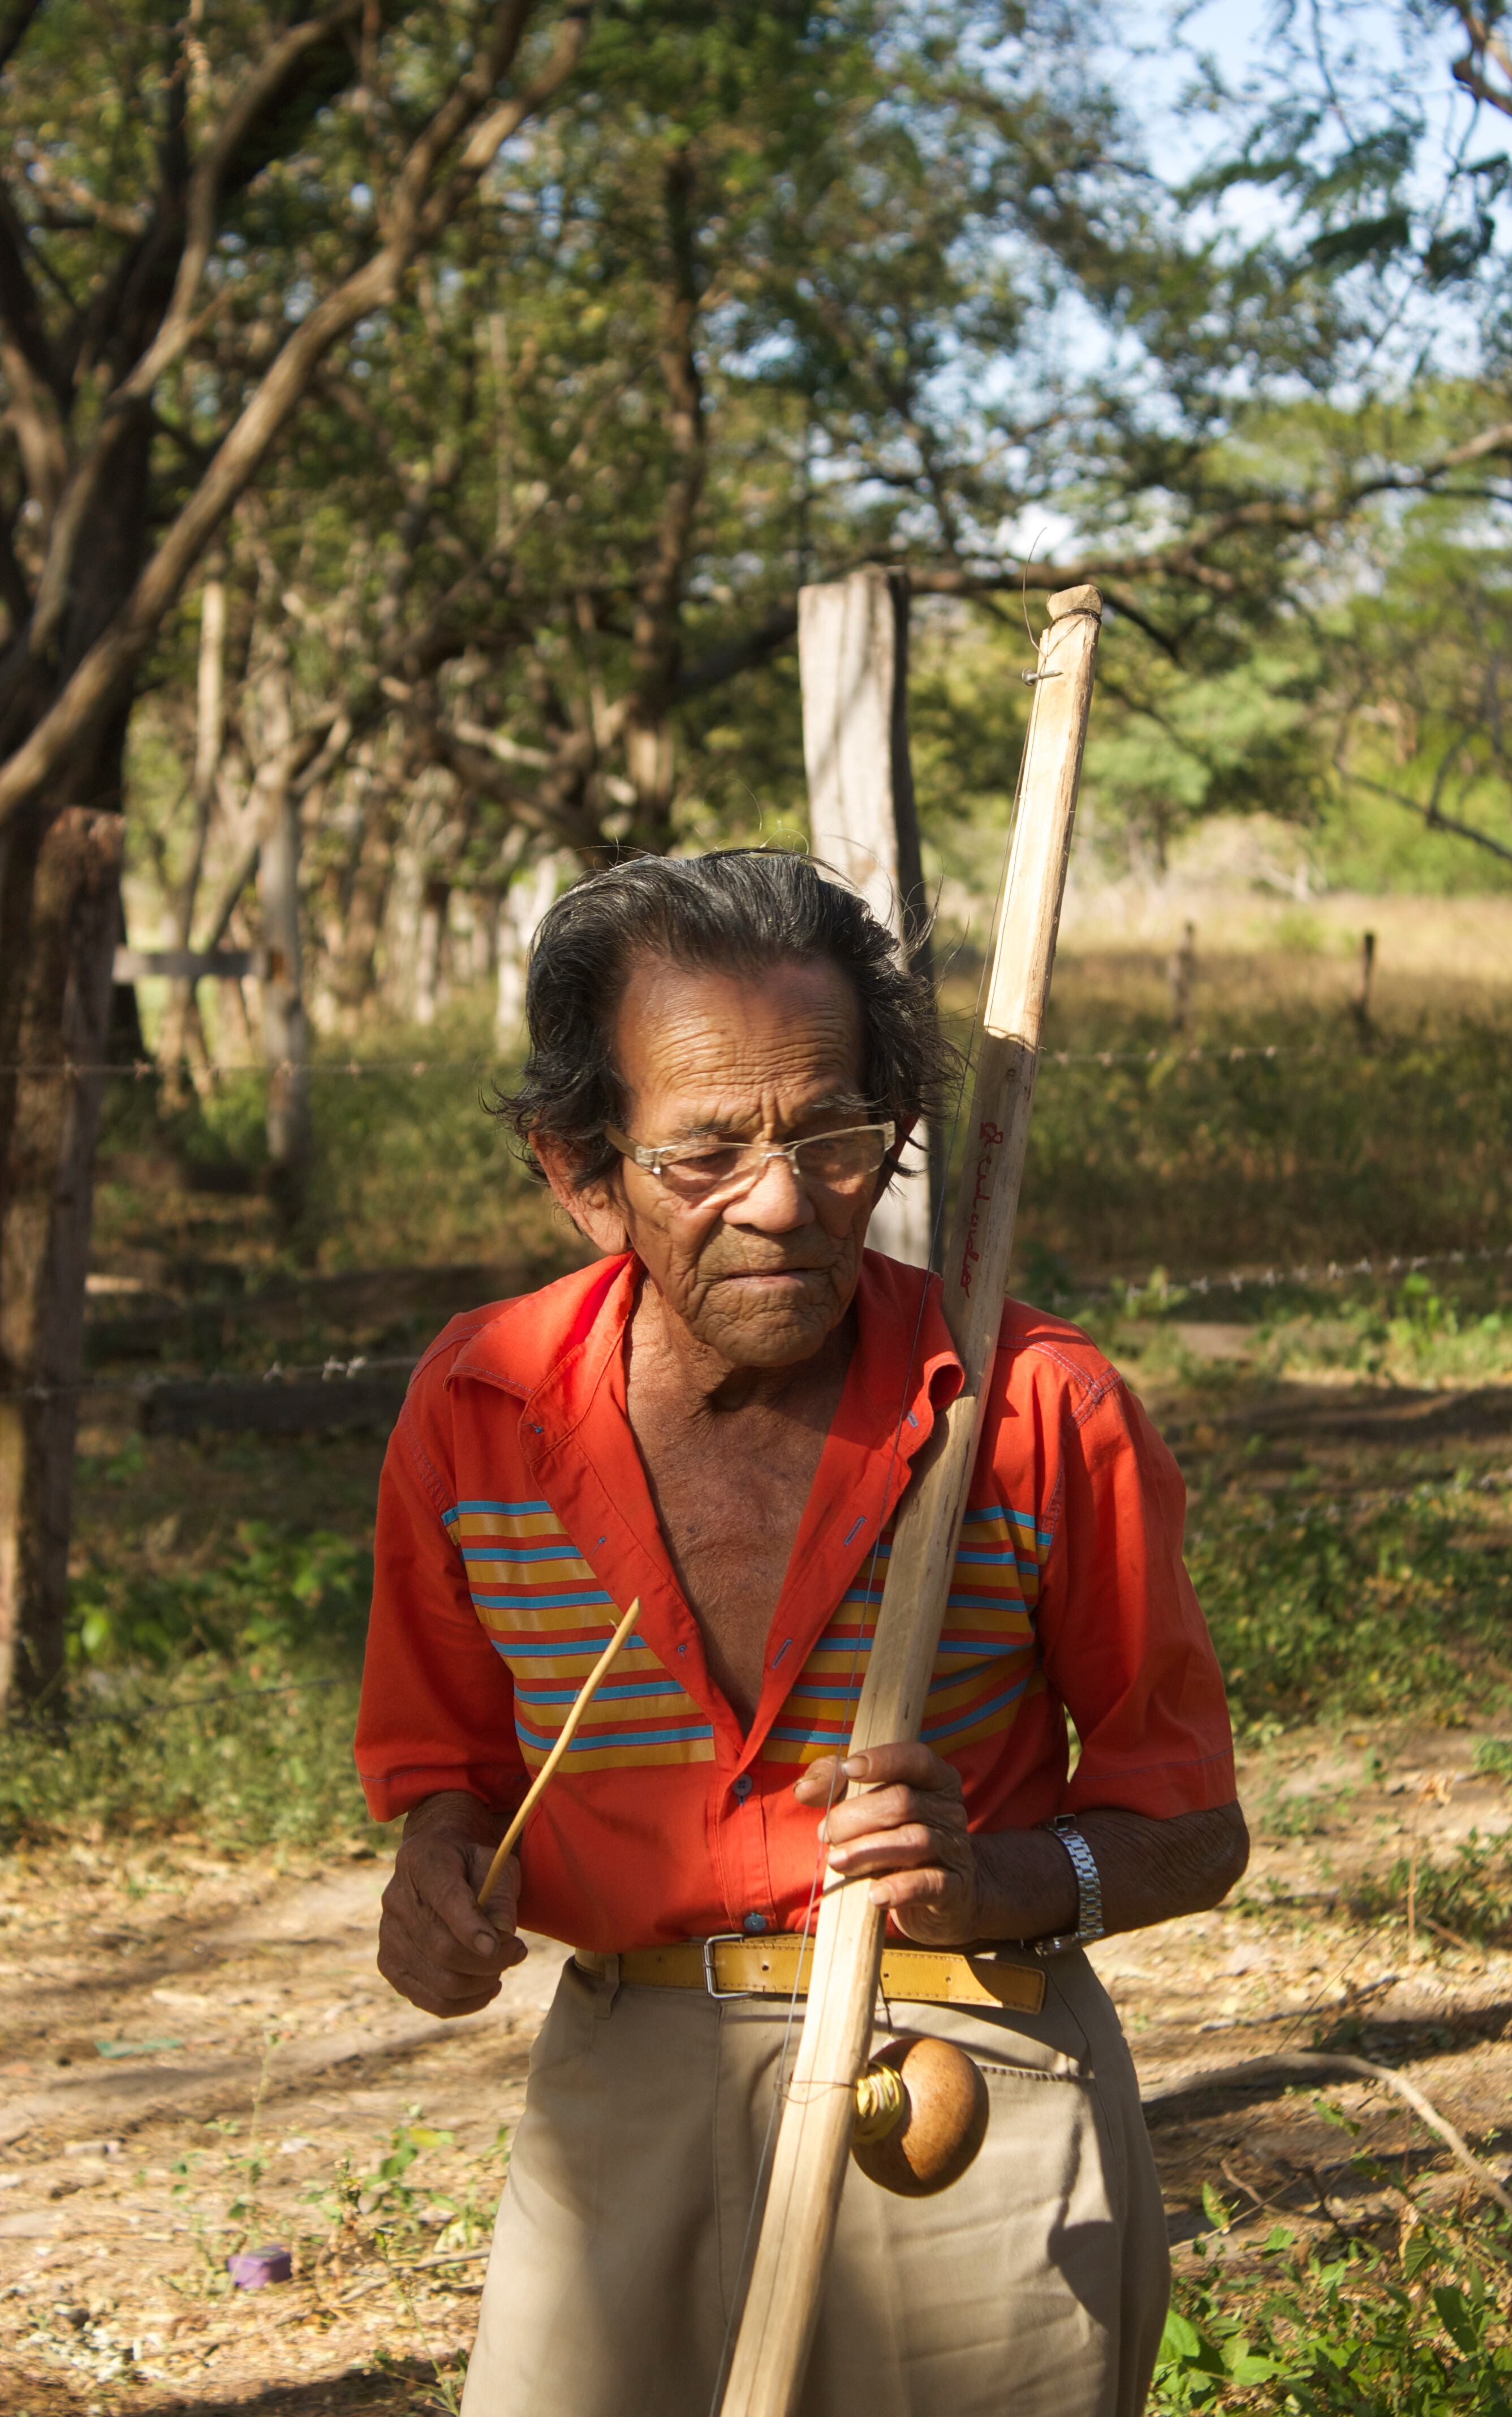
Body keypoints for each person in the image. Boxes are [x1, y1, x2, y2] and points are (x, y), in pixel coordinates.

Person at [355, 849, 1246, 2417]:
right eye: (706, 1152)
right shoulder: (480, 1406)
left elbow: (1190, 1832)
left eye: (834, 1136)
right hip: (622, 2094)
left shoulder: (1033, 1411)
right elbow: (447, 1767)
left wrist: (1004, 1881)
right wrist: (437, 1869)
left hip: (971, 2080)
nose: (782, 1202)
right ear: (581, 1169)